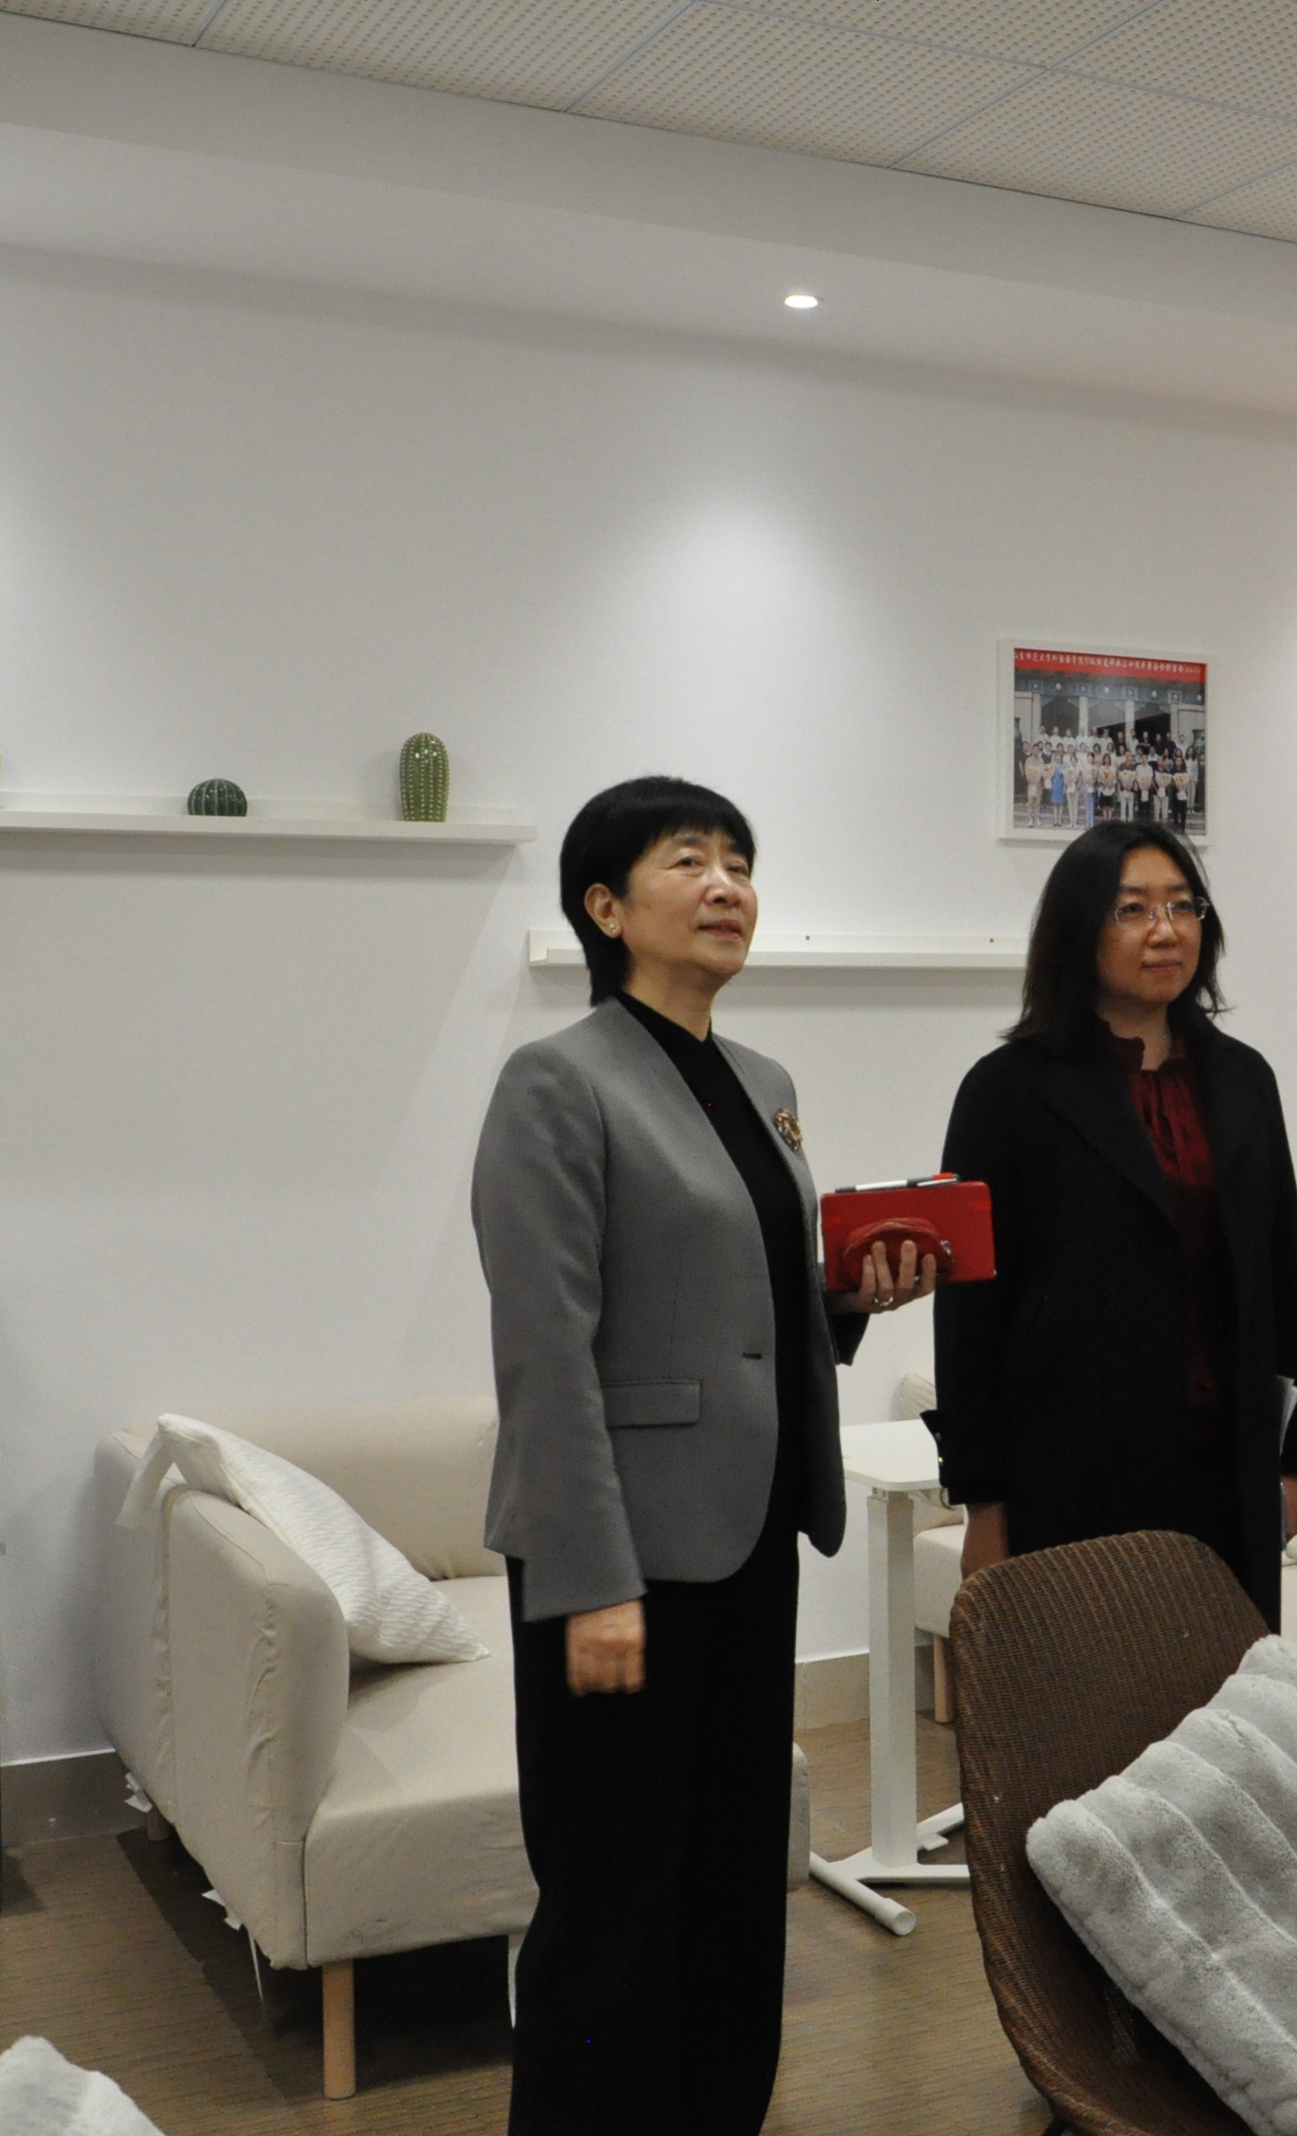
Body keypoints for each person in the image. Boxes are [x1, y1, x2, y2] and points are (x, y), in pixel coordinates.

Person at [472, 776, 935, 2136]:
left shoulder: (764, 1084)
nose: (728, 885)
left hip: (751, 1535)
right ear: (606, 908)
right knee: (611, 1900)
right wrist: (592, 1581)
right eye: (690, 861)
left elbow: (747, 1304)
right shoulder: (557, 1081)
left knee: (735, 1881)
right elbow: (546, 1352)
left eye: (740, 861)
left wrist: (848, 1296)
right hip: (625, 1559)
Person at [931, 822, 1297, 1627]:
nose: (1165, 930)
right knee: (1092, 1691)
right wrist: (983, 1500)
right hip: (1075, 1470)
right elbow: (971, 1313)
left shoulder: (1244, 1078)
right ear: (1079, 930)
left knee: (1230, 1688)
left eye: (1183, 906)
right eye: (1133, 910)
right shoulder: (1007, 1090)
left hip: (1226, 1461)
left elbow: (1281, 1270)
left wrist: (1294, 1456)